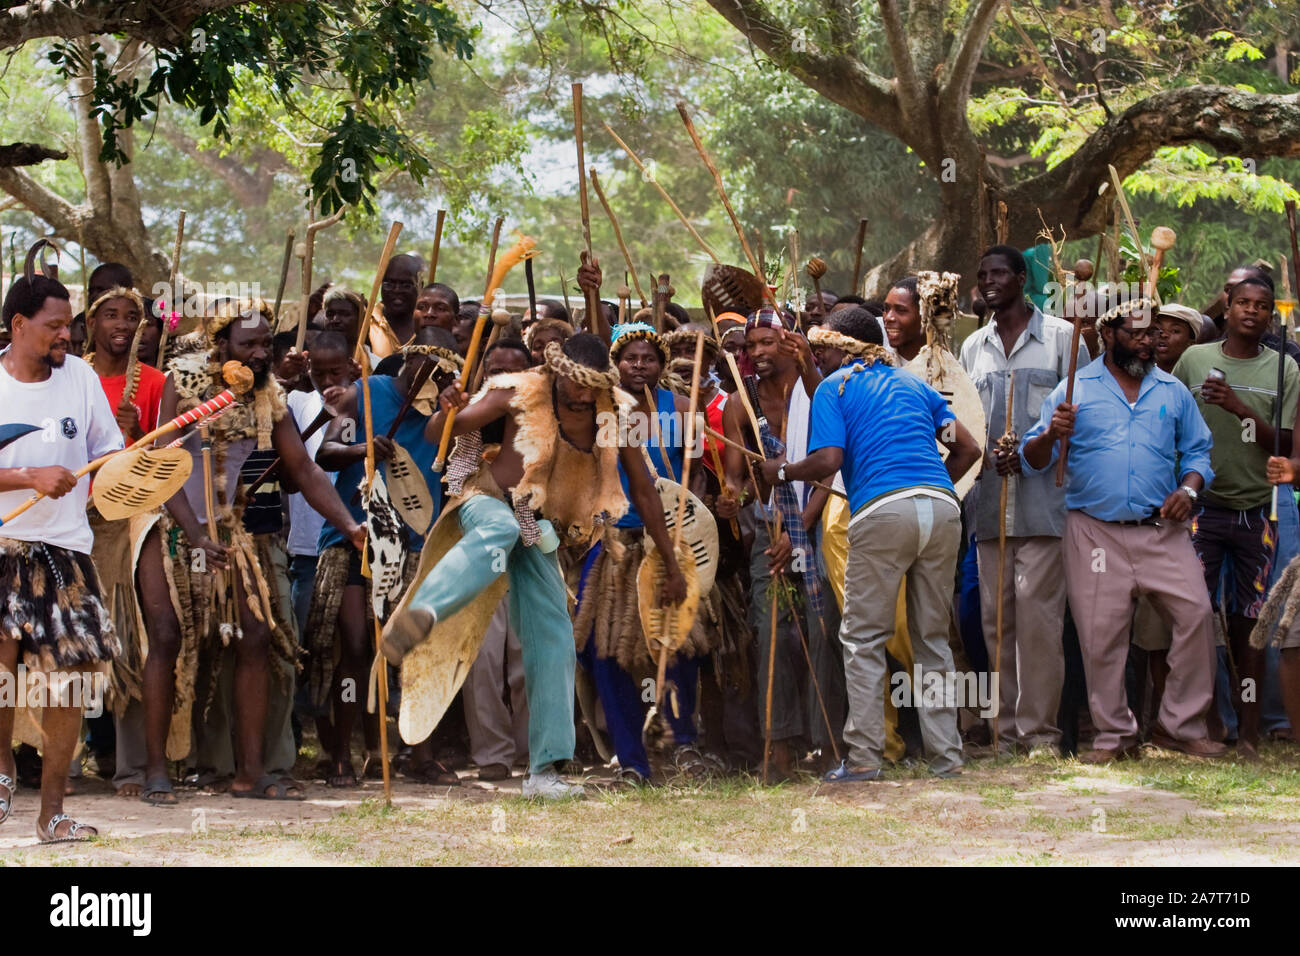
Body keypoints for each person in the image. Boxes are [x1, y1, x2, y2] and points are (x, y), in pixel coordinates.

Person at [384, 330, 687, 799]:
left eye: (592, 386)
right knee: (500, 530)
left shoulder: (614, 413)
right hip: (485, 500)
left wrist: (670, 560)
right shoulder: (520, 388)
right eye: (574, 384)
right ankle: (420, 613)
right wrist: (449, 409)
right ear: (555, 371)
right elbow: (438, 434)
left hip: (536, 525)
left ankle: (543, 771)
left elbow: (645, 490)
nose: (583, 395)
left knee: (555, 636)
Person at [759, 307, 981, 781]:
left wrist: (781, 470)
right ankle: (947, 758)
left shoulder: (834, 389)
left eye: (823, 347)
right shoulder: (915, 386)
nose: (817, 354)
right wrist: (934, 486)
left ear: (844, 347)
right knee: (933, 641)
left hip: (883, 512)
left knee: (862, 639)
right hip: (942, 510)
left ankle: (863, 760)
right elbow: (968, 449)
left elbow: (829, 461)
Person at [158, 299, 365, 799]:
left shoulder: (270, 396)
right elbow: (160, 466)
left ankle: (253, 770)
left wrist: (350, 525)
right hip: (187, 535)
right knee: (184, 648)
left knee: (257, 637)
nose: (258, 353)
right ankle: (167, 768)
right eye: (247, 343)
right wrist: (193, 534)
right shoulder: (183, 385)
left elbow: (306, 470)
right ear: (221, 344)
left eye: (264, 344)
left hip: (250, 538)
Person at [1022, 294, 1228, 761]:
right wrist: (1052, 433)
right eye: (1135, 333)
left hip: (1162, 530)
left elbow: (1198, 454)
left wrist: (1190, 491)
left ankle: (1179, 725)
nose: (1147, 343)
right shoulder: (1074, 389)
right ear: (1106, 335)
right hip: (1093, 530)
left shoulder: (1172, 391)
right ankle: (1115, 736)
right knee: (1101, 637)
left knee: (1196, 615)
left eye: (1152, 334)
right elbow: (1032, 461)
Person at [0, 269, 123, 841]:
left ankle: (53, 813)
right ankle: (1, 770)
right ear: (18, 325)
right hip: (1, 546)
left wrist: (134, 474)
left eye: (69, 327)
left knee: (70, 680)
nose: (66, 338)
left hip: (64, 551)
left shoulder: (79, 377)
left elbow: (109, 453)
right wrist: (26, 475)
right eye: (54, 327)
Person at [313, 326, 458, 786]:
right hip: (357, 539)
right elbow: (327, 453)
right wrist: (362, 448)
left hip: (416, 545)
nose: (425, 381)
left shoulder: (445, 409)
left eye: (437, 375)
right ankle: (340, 754)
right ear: (407, 360)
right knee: (356, 648)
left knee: (413, 650)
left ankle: (420, 754)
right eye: (420, 370)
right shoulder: (365, 393)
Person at [959, 244, 1087, 755]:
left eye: (999, 273)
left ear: (1020, 278)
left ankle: (1040, 734)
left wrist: (1041, 444)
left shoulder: (1062, 339)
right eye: (982, 274)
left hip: (1044, 506)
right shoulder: (973, 349)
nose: (989, 282)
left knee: (1038, 624)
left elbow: (1081, 413)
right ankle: (1004, 733)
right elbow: (965, 422)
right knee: (996, 624)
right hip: (988, 507)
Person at [571, 320, 709, 785]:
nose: (639, 365)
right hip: (612, 539)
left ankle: (684, 743)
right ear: (615, 363)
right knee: (602, 649)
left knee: (677, 641)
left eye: (648, 358)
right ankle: (632, 759)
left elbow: (701, 475)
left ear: (661, 364)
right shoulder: (602, 410)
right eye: (629, 357)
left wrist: (691, 524)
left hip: (670, 538)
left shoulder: (685, 409)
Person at [1173, 273, 1300, 756]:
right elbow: (1173, 424)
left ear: (1271, 315)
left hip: (1256, 510)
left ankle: (1248, 731)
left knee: (1250, 621)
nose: (1251, 310)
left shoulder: (1284, 368)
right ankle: (1207, 723)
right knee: (1195, 617)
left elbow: (1286, 445)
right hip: (1201, 508)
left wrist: (1238, 407)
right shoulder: (1194, 360)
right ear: (1226, 305)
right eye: (1243, 301)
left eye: (1262, 305)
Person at [79, 286, 182, 805]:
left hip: (139, 514)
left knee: (156, 631)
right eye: (110, 316)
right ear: (90, 323)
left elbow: (165, 461)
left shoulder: (158, 383)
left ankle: (146, 767)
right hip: (78, 518)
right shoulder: (72, 377)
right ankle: (45, 761)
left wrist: (138, 432)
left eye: (132, 318)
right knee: (69, 642)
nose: (122, 325)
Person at [716, 305, 825, 780]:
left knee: (824, 631)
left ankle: (829, 740)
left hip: (822, 522)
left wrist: (801, 525)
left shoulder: (814, 393)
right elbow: (738, 480)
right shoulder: (741, 403)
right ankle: (778, 746)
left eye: (766, 342)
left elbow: (834, 462)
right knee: (773, 631)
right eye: (750, 345)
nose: (756, 352)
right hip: (770, 528)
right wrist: (730, 497)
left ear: (790, 342)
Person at [461, 339, 534, 781]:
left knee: (527, 651)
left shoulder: (544, 416)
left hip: (531, 537)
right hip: (480, 543)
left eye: (514, 369)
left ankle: (529, 750)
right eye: (495, 369)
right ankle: (491, 753)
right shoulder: (469, 418)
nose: (504, 378)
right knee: (484, 653)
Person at [882, 277, 925, 363]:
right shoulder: (876, 369)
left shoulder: (947, 370)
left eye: (901, 310)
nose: (888, 317)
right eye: (886, 309)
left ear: (925, 316)